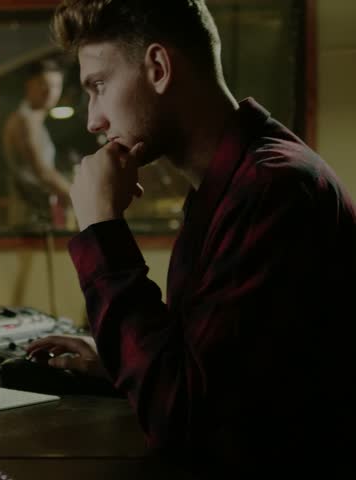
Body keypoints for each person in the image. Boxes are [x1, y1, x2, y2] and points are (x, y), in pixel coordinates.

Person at [25, 0, 356, 472]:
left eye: (99, 86)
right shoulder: (230, 184)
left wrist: (102, 228)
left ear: (158, 68)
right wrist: (120, 361)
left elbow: (182, 417)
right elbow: (212, 371)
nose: (92, 120)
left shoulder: (273, 191)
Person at [2, 58, 72, 230]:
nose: (50, 92)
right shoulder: (25, 121)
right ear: (29, 85)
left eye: (56, 86)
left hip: (39, 215)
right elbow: (43, 172)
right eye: (43, 84)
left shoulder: (34, 120)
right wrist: (78, 196)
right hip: (30, 220)